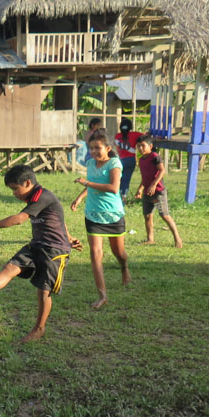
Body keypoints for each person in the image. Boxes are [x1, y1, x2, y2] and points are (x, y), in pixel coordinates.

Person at [0, 165, 81, 342]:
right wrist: (70, 236)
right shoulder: (34, 197)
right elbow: (58, 217)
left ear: (28, 183)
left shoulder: (43, 195)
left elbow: (19, 219)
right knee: (10, 267)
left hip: (54, 250)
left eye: (15, 189)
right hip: (37, 245)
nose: (14, 193)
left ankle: (39, 329)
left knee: (44, 290)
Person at [71, 130, 130, 309]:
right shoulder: (90, 163)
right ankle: (102, 295)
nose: (94, 152)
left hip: (112, 215)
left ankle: (124, 268)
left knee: (119, 253)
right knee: (96, 254)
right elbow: (92, 183)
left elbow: (113, 188)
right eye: (91, 148)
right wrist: (80, 197)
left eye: (98, 148)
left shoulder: (114, 163)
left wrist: (86, 183)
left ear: (108, 148)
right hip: (93, 214)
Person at [133, 135, 183, 248]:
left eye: (143, 146)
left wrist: (154, 184)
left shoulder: (155, 156)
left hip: (158, 191)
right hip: (147, 191)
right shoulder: (141, 160)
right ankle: (150, 239)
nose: (140, 148)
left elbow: (162, 171)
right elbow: (144, 177)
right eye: (138, 146)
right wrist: (140, 189)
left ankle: (177, 238)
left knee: (164, 215)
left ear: (150, 146)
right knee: (147, 216)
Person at [114, 117, 143, 200]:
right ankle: (123, 197)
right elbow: (146, 136)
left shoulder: (117, 136)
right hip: (130, 160)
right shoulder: (135, 134)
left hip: (119, 160)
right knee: (126, 179)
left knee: (117, 178)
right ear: (130, 127)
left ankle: (115, 195)